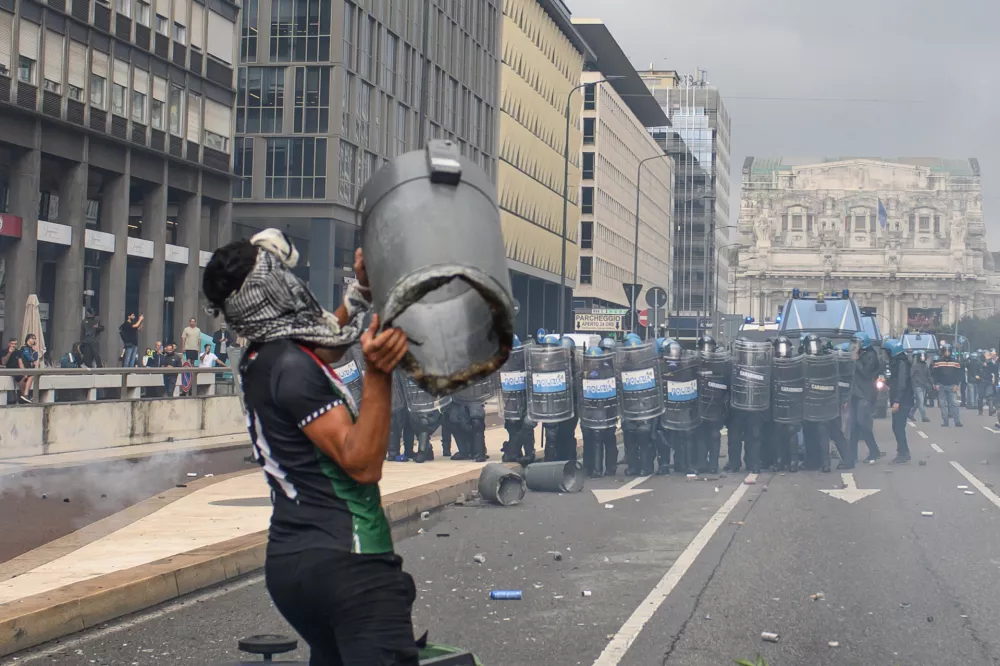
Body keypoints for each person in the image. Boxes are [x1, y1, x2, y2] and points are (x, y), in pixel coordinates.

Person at [203, 229, 419, 665]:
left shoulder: (263, 358)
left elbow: (327, 341)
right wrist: (378, 374)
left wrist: (361, 292)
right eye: (282, 275)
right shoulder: (293, 368)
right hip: (349, 560)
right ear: (272, 291)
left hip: (293, 563)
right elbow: (361, 463)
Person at [849, 332, 883, 464]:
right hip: (855, 394)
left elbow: (866, 373)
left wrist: (855, 359)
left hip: (866, 394)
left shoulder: (871, 356)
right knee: (853, 426)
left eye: (856, 342)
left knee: (863, 423)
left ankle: (874, 451)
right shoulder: (858, 355)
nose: (854, 345)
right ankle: (851, 455)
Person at [884, 339, 913, 463]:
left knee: (898, 427)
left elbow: (902, 383)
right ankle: (902, 451)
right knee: (897, 427)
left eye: (887, 351)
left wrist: (897, 400)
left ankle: (903, 453)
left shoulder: (902, 364)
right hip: (900, 399)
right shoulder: (897, 363)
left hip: (903, 400)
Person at [932, 343, 964, 427]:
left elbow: (959, 374)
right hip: (941, 385)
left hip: (952, 386)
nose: (947, 352)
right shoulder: (938, 362)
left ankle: (957, 421)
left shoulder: (955, 362)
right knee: (942, 405)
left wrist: (957, 384)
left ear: (951, 351)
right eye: (945, 351)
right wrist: (936, 384)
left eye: (948, 351)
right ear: (942, 352)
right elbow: (934, 374)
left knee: (954, 404)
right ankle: (945, 421)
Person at [909, 351, 933, 422]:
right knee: (921, 401)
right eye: (921, 356)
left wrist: (932, 383)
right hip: (917, 386)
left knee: (918, 402)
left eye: (924, 356)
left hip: (923, 385)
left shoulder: (925, 365)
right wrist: (914, 383)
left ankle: (910, 413)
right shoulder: (914, 366)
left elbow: (929, 375)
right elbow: (911, 375)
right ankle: (924, 417)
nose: (923, 358)